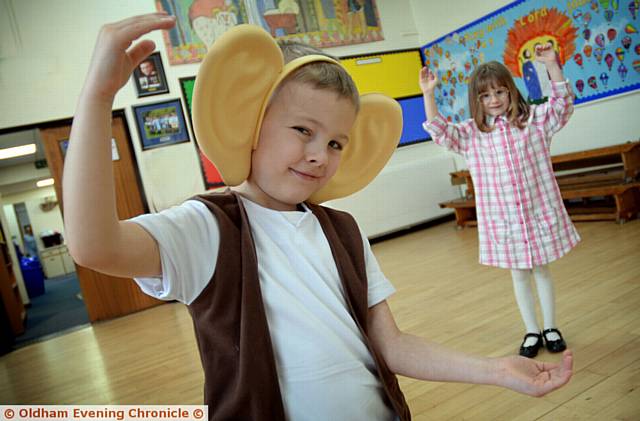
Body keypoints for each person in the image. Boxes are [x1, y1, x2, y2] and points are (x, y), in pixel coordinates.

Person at [63, 13, 573, 420]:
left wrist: (496, 370)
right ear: (252, 123)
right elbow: (93, 245)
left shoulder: (342, 231)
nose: (319, 155)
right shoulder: (207, 227)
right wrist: (96, 97)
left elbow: (390, 346)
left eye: (335, 142)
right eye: (303, 130)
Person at [420, 44, 580, 360]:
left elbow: (562, 105)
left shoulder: (533, 120)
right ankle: (532, 330)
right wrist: (428, 94)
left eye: (499, 92)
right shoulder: (471, 134)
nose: (494, 101)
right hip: (504, 219)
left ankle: (551, 327)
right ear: (477, 101)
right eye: (485, 96)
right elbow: (439, 132)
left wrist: (552, 65)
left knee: (541, 270)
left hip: (537, 211)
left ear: (511, 91)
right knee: (519, 273)